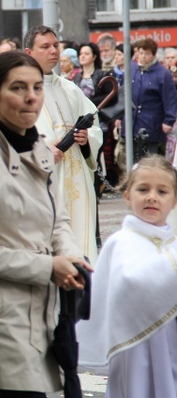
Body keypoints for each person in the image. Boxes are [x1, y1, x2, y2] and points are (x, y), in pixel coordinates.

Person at [0, 51, 92, 397]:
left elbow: (59, 221)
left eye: (38, 87)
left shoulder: (41, 148)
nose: (31, 97)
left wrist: (72, 258)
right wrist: (47, 267)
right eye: (19, 88)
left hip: (42, 308)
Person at [78, 156, 177, 398]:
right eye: (143, 189)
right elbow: (130, 282)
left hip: (170, 342)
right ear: (127, 195)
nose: (151, 196)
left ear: (174, 200)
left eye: (162, 191)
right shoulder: (121, 243)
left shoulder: (173, 245)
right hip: (133, 346)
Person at [25, 25, 103, 264]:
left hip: (77, 176)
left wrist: (86, 139)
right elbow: (8, 134)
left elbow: (95, 127)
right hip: (46, 178)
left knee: (81, 242)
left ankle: (83, 293)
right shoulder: (20, 90)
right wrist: (42, 149)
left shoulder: (71, 89)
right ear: (29, 53)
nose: (53, 51)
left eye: (55, 46)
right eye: (45, 47)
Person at [117, 38, 177, 156]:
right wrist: (119, 116)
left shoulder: (162, 73)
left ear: (154, 55)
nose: (143, 56)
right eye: (141, 53)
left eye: (147, 53)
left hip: (151, 123)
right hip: (131, 122)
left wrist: (168, 120)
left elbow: (170, 98)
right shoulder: (131, 69)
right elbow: (123, 94)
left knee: (148, 158)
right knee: (129, 158)